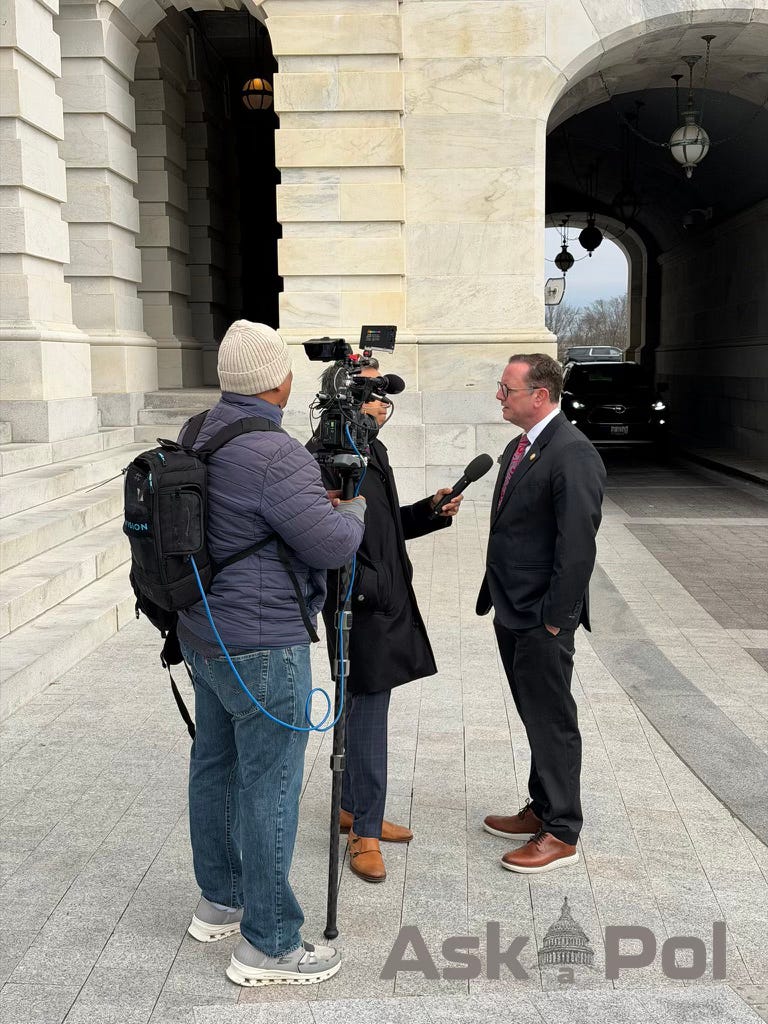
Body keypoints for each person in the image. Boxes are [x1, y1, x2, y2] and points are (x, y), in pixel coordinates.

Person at [177, 320, 367, 986]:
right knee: (271, 785)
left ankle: (220, 900)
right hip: (262, 645)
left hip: (203, 634)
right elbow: (332, 547)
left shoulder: (198, 428)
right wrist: (354, 511)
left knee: (215, 764)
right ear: (278, 381)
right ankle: (271, 943)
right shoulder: (276, 452)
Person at [309, 361, 462, 883]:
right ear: (343, 397)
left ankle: (354, 810)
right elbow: (325, 536)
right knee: (368, 716)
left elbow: (382, 526)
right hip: (360, 606)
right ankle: (365, 832)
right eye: (371, 392)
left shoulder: (372, 449)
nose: (384, 400)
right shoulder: (325, 458)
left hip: (385, 602)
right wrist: (369, 589)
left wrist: (428, 512)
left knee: (365, 709)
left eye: (383, 390)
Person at [477, 353, 606, 874]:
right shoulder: (520, 446)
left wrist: (554, 618)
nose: (499, 396)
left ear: (541, 395)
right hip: (512, 607)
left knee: (552, 718)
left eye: (507, 388)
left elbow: (578, 546)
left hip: (541, 616)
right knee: (534, 711)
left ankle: (562, 830)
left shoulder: (572, 453)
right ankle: (542, 806)